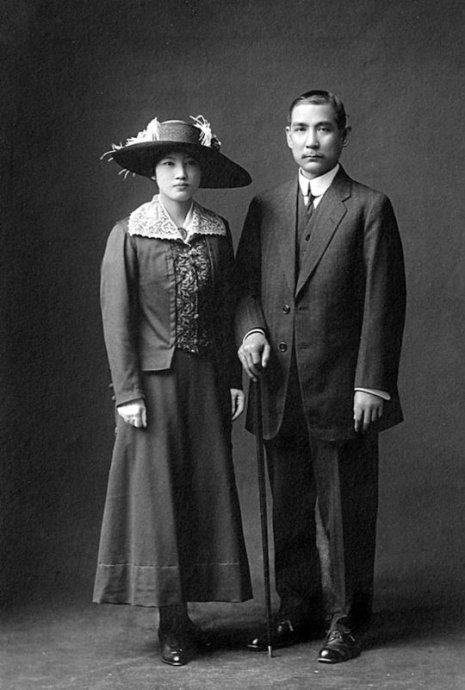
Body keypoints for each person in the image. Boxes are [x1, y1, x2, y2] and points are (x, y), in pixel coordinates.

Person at [234, 90, 406, 663]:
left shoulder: (368, 206)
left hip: (342, 388)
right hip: (278, 387)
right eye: (301, 129)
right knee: (288, 508)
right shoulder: (265, 207)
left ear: (343, 135)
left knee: (345, 511)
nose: (312, 140)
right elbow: (245, 288)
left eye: (324, 129)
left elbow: (384, 299)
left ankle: (346, 619)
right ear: (287, 136)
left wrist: (371, 382)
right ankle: (297, 610)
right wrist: (251, 333)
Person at [93, 115, 253, 667]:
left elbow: (228, 308)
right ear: (152, 172)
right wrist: (127, 393)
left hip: (205, 383)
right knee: (159, 498)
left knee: (200, 492)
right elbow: (117, 320)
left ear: (202, 171)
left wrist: (231, 380)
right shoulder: (129, 233)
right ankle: (172, 621)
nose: (180, 173)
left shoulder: (216, 232)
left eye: (189, 163)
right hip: (153, 387)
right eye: (168, 163)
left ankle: (189, 612)